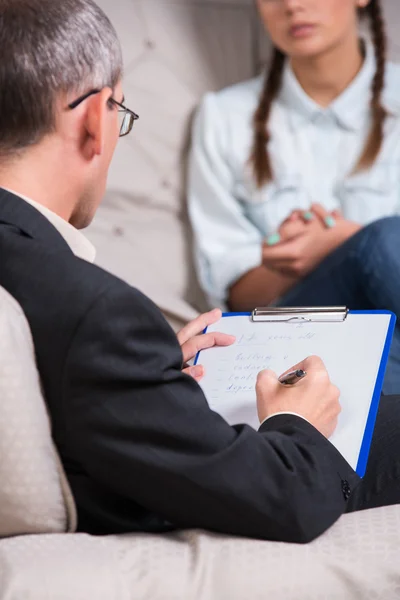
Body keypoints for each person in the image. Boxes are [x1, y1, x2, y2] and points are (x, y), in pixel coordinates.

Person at [0, 0, 399, 545]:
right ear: (96, 120)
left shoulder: (62, 293)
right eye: (120, 113)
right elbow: (285, 499)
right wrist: (298, 423)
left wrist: (152, 371)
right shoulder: (99, 312)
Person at [188, 0, 400, 394]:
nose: (292, 5)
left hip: (382, 332)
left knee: (387, 245)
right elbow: (231, 292)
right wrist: (294, 260)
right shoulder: (223, 117)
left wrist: (345, 241)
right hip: (291, 325)